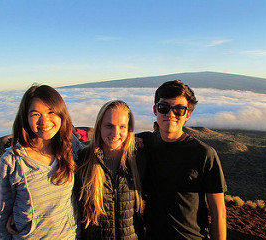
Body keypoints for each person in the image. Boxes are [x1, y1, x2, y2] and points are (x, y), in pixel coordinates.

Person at [137, 80, 227, 240]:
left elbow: (218, 210)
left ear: (188, 114)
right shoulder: (146, 142)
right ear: (155, 110)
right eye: (164, 108)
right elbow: (114, 137)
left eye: (179, 109)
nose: (170, 115)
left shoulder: (204, 154)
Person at [0, 85, 81, 239]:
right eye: (36, 114)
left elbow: (94, 156)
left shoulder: (70, 146)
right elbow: (4, 212)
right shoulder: (12, 162)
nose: (44, 121)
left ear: (61, 113)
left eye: (51, 112)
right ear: (25, 117)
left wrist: (130, 141)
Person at [75, 100, 145, 240]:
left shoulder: (138, 160)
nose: (115, 133)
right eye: (109, 126)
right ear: (99, 126)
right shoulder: (83, 161)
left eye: (122, 127)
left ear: (129, 129)